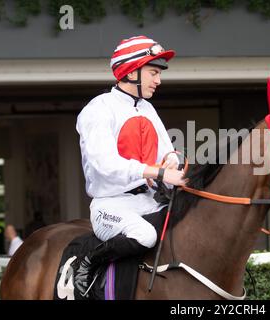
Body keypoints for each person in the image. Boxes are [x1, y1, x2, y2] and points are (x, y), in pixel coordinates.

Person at [74, 35, 187, 297]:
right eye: (153, 72)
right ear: (131, 71)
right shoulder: (98, 109)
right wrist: (154, 171)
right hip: (110, 206)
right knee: (145, 235)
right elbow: (104, 164)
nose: (158, 80)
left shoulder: (147, 109)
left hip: (149, 201)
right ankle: (88, 262)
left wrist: (171, 161)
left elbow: (168, 153)